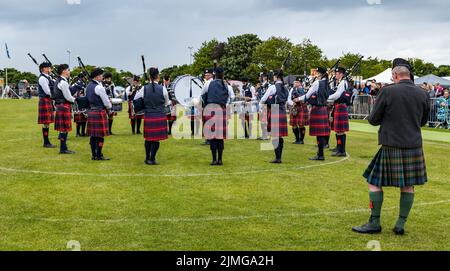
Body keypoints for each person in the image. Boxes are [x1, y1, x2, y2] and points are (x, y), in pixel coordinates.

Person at [353, 59, 430, 235]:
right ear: (409, 74)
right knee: (408, 185)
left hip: (391, 144)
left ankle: (374, 222)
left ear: (395, 75)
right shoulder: (423, 93)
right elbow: (423, 121)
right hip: (413, 145)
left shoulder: (387, 91)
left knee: (374, 182)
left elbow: (373, 120)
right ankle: (400, 224)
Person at [134, 68, 170, 165]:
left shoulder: (144, 88)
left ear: (149, 77)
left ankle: (147, 158)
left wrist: (143, 104)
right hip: (159, 115)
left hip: (149, 115)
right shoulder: (163, 89)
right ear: (158, 77)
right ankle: (152, 159)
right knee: (156, 139)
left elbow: (136, 99)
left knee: (148, 139)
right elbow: (166, 103)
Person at [295, 67, 331, 161]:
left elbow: (307, 95)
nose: (316, 75)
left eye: (317, 73)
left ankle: (320, 155)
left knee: (319, 134)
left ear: (320, 74)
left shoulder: (317, 83)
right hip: (323, 108)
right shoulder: (327, 83)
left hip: (317, 109)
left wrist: (297, 99)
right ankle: (320, 154)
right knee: (321, 133)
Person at [201, 67, 235, 166]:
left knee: (212, 136)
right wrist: (226, 104)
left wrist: (206, 104)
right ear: (223, 74)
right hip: (221, 110)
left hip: (210, 109)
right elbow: (232, 97)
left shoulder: (208, 83)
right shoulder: (227, 85)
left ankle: (214, 160)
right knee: (220, 137)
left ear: (214, 74)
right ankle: (220, 160)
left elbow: (202, 95)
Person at [260, 70, 289, 163]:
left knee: (275, 135)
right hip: (282, 111)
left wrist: (261, 108)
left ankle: (278, 158)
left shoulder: (273, 87)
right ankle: (279, 157)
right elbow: (288, 101)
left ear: (277, 77)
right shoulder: (285, 88)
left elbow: (263, 99)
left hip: (274, 110)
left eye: (274, 76)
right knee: (279, 136)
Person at [86, 68, 112, 161]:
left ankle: (94, 155)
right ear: (97, 77)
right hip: (99, 112)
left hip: (91, 112)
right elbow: (106, 103)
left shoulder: (88, 86)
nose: (102, 77)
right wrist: (110, 105)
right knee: (100, 136)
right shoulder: (99, 87)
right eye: (101, 75)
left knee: (93, 135)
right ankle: (99, 155)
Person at [53, 64, 76, 154]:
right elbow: (68, 97)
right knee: (64, 129)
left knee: (63, 128)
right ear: (63, 71)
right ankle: (63, 149)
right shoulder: (63, 82)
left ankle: (64, 148)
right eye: (68, 69)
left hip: (60, 106)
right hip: (64, 106)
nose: (69, 71)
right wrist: (76, 100)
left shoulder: (58, 81)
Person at [328, 67, 350, 157]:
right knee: (338, 131)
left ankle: (342, 151)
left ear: (341, 74)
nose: (335, 75)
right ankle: (339, 149)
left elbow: (337, 95)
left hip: (341, 107)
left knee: (340, 131)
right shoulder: (340, 82)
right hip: (338, 107)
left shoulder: (343, 82)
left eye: (337, 73)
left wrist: (327, 97)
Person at [37, 62, 56, 148]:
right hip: (45, 100)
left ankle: (47, 141)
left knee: (47, 122)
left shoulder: (49, 77)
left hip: (48, 100)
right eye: (48, 67)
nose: (49, 68)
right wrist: (55, 96)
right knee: (46, 122)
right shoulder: (42, 78)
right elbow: (47, 91)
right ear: (43, 69)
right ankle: (46, 142)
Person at [287, 77, 309, 144]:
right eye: (295, 82)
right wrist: (292, 103)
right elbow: (289, 98)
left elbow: (304, 99)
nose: (295, 83)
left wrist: (298, 100)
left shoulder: (303, 89)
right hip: (294, 107)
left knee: (301, 124)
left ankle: (301, 140)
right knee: (294, 124)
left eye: (296, 82)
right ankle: (297, 139)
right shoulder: (292, 89)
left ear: (299, 83)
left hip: (301, 107)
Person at [201, 68, 215, 145]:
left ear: (211, 75)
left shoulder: (207, 83)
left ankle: (208, 140)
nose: (205, 76)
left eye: (207, 75)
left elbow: (202, 94)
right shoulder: (217, 82)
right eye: (205, 75)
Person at [256, 73, 271, 140]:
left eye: (261, 77)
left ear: (264, 77)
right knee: (262, 121)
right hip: (261, 104)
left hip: (266, 105)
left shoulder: (269, 85)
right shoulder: (261, 85)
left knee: (266, 121)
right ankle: (263, 135)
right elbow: (259, 94)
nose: (260, 78)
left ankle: (267, 135)